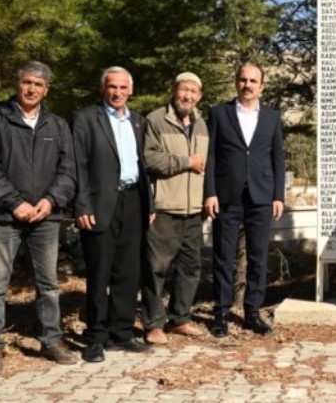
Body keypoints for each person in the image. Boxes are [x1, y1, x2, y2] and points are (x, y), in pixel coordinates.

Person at [0, 61, 77, 375]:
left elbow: (68, 171)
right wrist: (14, 203)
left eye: (39, 84)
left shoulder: (57, 126)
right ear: (17, 83)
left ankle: (51, 339)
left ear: (47, 90)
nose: (32, 89)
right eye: (27, 82)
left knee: (48, 284)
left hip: (46, 217)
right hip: (4, 217)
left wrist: (50, 201)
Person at [72, 66, 155, 363]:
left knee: (128, 272)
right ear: (102, 88)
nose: (117, 92)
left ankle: (121, 332)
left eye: (122, 87)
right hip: (99, 205)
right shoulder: (85, 118)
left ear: (130, 90)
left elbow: (142, 166)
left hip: (134, 201)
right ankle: (96, 336)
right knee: (99, 272)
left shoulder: (138, 121)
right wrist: (81, 205)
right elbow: (78, 165)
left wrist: (150, 205)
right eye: (112, 87)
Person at [203, 63, 285, 338]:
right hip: (227, 196)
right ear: (236, 83)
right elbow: (211, 156)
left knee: (258, 257)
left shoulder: (272, 117)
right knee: (223, 258)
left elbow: (277, 158)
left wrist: (278, 195)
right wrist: (210, 192)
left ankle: (252, 311)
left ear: (261, 86)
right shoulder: (219, 114)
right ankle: (222, 313)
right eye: (243, 79)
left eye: (253, 81)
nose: (247, 84)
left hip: (261, 197)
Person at [140, 72, 209, 344]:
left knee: (190, 267)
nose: (188, 96)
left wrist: (206, 198)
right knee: (156, 267)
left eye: (193, 91)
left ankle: (180, 318)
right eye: (184, 90)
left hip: (193, 210)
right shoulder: (156, 119)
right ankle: (154, 324)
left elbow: (208, 164)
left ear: (199, 96)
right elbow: (148, 158)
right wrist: (185, 162)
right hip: (165, 207)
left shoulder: (202, 123)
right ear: (173, 90)